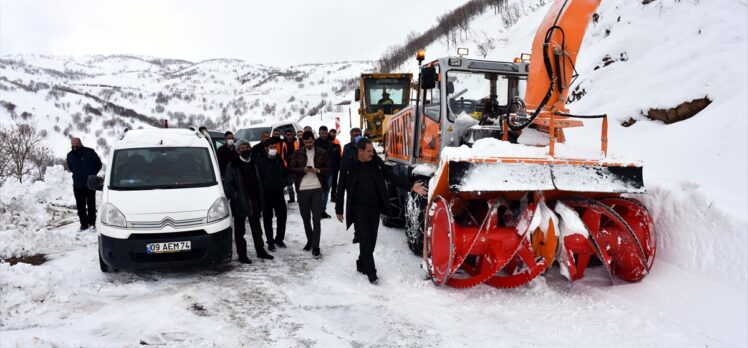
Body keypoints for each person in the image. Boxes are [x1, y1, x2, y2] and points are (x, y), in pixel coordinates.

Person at [336, 138, 427, 283]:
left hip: (375, 207)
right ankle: (371, 273)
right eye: (369, 151)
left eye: (372, 150)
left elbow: (390, 176)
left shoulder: (376, 162)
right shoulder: (348, 164)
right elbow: (340, 187)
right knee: (365, 239)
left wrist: (411, 186)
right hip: (358, 209)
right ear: (360, 151)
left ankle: (361, 262)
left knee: (371, 240)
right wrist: (338, 209)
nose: (372, 153)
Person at [223, 140, 274, 263]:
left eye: (247, 147)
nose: (245, 149)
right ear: (238, 150)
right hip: (240, 202)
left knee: (257, 228)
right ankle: (242, 255)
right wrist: (236, 196)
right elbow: (227, 185)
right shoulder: (233, 165)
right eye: (242, 147)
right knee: (240, 230)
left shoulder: (254, 163)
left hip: (255, 200)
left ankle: (260, 250)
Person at [289, 131, 330, 258]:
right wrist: (303, 169)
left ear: (314, 140)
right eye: (306, 142)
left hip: (317, 188)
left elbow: (329, 169)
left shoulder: (322, 152)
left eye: (310, 141)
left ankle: (316, 247)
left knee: (316, 219)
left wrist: (317, 170)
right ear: (303, 142)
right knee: (306, 218)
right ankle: (310, 240)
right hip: (302, 189)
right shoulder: (298, 153)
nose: (308, 144)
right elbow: (291, 168)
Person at [255, 138, 288, 251]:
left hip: (279, 193)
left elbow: (285, 172)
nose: (273, 149)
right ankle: (270, 242)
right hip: (266, 194)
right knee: (268, 218)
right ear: (266, 148)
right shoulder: (260, 160)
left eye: (274, 147)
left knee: (282, 216)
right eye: (271, 147)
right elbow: (258, 177)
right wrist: (263, 188)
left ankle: (279, 239)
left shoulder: (278, 158)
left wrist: (283, 183)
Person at [66, 137, 102, 230]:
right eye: (72, 146)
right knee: (80, 205)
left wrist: (92, 174)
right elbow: (71, 167)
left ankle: (92, 222)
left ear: (80, 144)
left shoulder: (90, 152)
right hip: (78, 184)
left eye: (76, 146)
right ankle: (83, 224)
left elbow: (98, 164)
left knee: (91, 204)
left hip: (90, 183)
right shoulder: (70, 155)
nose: (74, 148)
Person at [315, 126, 334, 219]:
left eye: (325, 133)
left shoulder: (331, 144)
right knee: (319, 192)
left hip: (329, 172)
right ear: (319, 133)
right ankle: (317, 211)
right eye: (322, 133)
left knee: (326, 192)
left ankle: (322, 211)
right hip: (318, 172)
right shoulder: (315, 143)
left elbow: (333, 158)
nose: (324, 135)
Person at [284, 129, 299, 203]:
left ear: (293, 135)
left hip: (296, 166)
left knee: (297, 183)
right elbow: (282, 155)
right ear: (285, 135)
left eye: (291, 134)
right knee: (289, 184)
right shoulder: (283, 143)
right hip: (288, 166)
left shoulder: (297, 142)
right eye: (288, 135)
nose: (289, 136)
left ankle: (299, 198)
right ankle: (291, 198)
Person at [328, 129, 343, 200]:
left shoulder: (337, 142)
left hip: (335, 165)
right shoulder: (325, 141)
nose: (333, 134)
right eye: (332, 133)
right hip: (327, 165)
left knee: (334, 182)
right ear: (329, 133)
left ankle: (333, 196)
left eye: (334, 133)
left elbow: (340, 154)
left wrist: (340, 163)